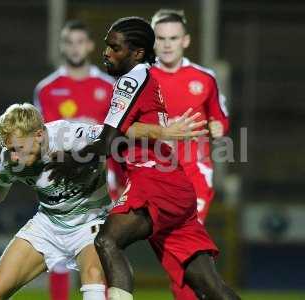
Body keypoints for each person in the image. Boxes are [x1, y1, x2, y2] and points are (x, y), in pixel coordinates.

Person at [45, 17, 240, 300]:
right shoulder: (148, 77)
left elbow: (107, 141)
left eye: (115, 48)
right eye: (106, 46)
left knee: (107, 241)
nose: (107, 53)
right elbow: (124, 132)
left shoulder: (131, 79)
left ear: (136, 53)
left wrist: (68, 162)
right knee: (210, 286)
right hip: (175, 187)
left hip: (153, 181)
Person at [0, 103, 207, 300]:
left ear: (39, 134)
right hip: (48, 224)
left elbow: (121, 131)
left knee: (93, 276)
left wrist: (164, 132)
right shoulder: (11, 157)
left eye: (18, 148)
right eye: (10, 149)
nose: (14, 156)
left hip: (91, 222)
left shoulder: (72, 135)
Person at [33, 20, 122, 299]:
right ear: (61, 46)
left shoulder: (108, 86)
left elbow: (118, 136)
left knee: (102, 250)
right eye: (69, 42)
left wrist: (119, 177)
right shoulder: (47, 88)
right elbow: (40, 138)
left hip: (100, 178)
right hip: (60, 177)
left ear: (91, 46)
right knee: (57, 255)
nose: (74, 47)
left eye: (80, 41)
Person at [149, 9, 231, 299]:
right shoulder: (141, 78)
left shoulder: (204, 78)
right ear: (153, 41)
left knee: (184, 244)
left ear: (186, 40)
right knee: (176, 253)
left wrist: (218, 126)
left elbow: (220, 116)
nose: (167, 44)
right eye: (161, 38)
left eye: (173, 38)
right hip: (153, 176)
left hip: (194, 172)